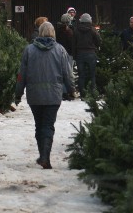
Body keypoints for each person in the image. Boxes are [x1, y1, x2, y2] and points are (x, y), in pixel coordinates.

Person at [14, 21, 75, 170]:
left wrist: (18, 93)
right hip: (53, 95)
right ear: (53, 32)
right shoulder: (60, 50)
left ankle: (43, 155)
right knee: (48, 125)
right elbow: (67, 73)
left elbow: (22, 74)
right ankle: (45, 157)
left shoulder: (29, 50)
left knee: (39, 125)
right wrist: (71, 89)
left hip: (34, 95)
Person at [73, 13, 102, 97]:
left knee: (81, 75)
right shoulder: (93, 29)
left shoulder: (76, 30)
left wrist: (74, 55)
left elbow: (73, 44)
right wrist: (95, 47)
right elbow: (99, 40)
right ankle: (93, 93)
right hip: (91, 53)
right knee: (92, 75)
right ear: (90, 20)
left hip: (79, 54)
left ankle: (82, 94)